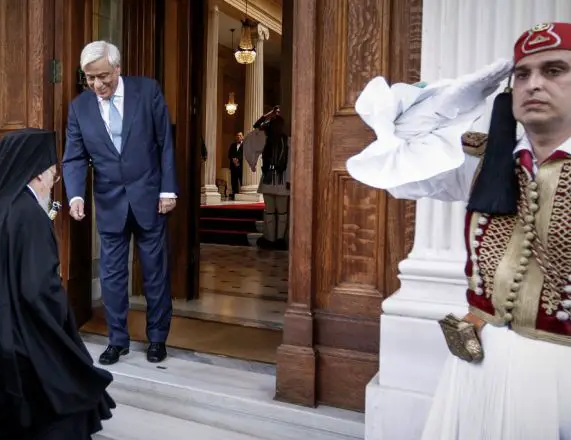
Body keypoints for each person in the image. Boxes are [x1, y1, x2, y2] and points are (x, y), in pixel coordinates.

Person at [346, 22, 571, 439]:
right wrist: (455, 99)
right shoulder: (485, 162)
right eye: (522, 74)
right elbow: (391, 157)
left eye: (554, 70)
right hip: (480, 361)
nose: (534, 84)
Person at [0, 128, 116, 440]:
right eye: (55, 176)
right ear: (39, 176)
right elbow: (38, 289)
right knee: (60, 387)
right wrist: (63, 328)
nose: (54, 185)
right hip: (9, 338)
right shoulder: (30, 214)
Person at [62, 41, 177, 365]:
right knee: (112, 276)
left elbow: (164, 143)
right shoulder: (80, 107)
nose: (98, 85)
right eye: (90, 78)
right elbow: (73, 157)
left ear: (117, 69)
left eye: (103, 76)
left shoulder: (148, 91)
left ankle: (157, 338)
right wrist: (75, 195)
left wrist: (168, 190)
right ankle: (117, 339)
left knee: (154, 272)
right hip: (110, 201)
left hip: (150, 197)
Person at [243, 106, 290, 250]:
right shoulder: (288, 141)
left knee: (270, 211)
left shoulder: (265, 139)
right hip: (282, 181)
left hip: (270, 180)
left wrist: (266, 117)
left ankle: (271, 239)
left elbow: (253, 132)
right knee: (281, 212)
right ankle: (279, 239)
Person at [227, 132, 244, 198]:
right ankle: (235, 194)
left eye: (240, 135)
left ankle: (243, 195)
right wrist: (233, 159)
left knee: (241, 180)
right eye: (237, 135)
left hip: (241, 166)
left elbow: (245, 154)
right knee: (233, 181)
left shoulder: (245, 145)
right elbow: (229, 154)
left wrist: (238, 160)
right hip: (233, 166)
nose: (238, 137)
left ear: (242, 137)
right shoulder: (232, 145)